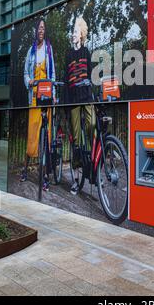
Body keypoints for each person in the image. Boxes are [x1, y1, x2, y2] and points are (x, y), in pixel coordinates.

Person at [20, 19, 56, 192]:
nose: (41, 30)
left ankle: (45, 176)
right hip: (34, 98)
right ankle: (25, 169)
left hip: (47, 97)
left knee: (45, 137)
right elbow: (25, 72)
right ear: (36, 31)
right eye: (39, 27)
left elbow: (53, 74)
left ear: (45, 31)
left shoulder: (49, 50)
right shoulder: (31, 51)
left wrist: (54, 95)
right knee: (32, 135)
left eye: (43, 27)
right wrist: (29, 81)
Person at [65, 17, 95, 196]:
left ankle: (91, 158)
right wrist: (66, 104)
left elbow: (90, 76)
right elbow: (66, 78)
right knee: (76, 139)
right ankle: (76, 181)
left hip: (86, 96)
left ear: (82, 34)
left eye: (76, 31)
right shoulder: (69, 54)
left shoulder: (86, 52)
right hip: (74, 100)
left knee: (92, 124)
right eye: (73, 32)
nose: (73, 34)